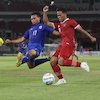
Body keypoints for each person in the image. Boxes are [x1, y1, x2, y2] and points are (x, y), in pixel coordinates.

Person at [43, 6, 96, 85]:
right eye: (57, 15)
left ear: (65, 14)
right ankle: (61, 80)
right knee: (53, 61)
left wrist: (91, 37)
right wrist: (45, 12)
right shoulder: (59, 25)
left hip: (69, 43)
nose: (59, 17)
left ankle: (81, 64)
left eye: (60, 15)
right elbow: (46, 22)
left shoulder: (71, 21)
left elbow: (81, 30)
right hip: (62, 44)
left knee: (61, 61)